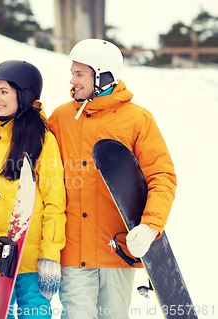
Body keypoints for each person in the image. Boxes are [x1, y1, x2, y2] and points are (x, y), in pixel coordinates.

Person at [48, 39, 177, 319]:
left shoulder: (137, 119)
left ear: (103, 75)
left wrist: (150, 226)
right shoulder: (61, 117)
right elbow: (35, 161)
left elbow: (162, 176)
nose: (72, 80)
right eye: (72, 72)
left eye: (79, 74)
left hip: (116, 251)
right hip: (73, 251)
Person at [0, 60, 67, 318]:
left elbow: (55, 203)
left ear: (24, 95)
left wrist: (49, 255)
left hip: (31, 260)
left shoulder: (43, 140)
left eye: (4, 92)